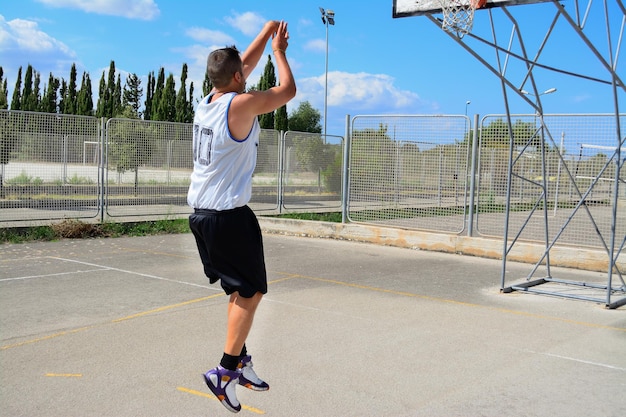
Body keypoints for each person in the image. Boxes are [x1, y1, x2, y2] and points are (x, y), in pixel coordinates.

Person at [187, 20, 296, 413]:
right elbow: (287, 91)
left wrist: (266, 33)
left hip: (202, 216)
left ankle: (241, 360)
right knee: (252, 292)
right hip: (227, 216)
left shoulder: (209, 101)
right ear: (236, 77)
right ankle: (225, 370)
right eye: (243, 73)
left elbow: (241, 67)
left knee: (239, 293)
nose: (247, 75)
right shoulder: (241, 103)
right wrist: (279, 52)